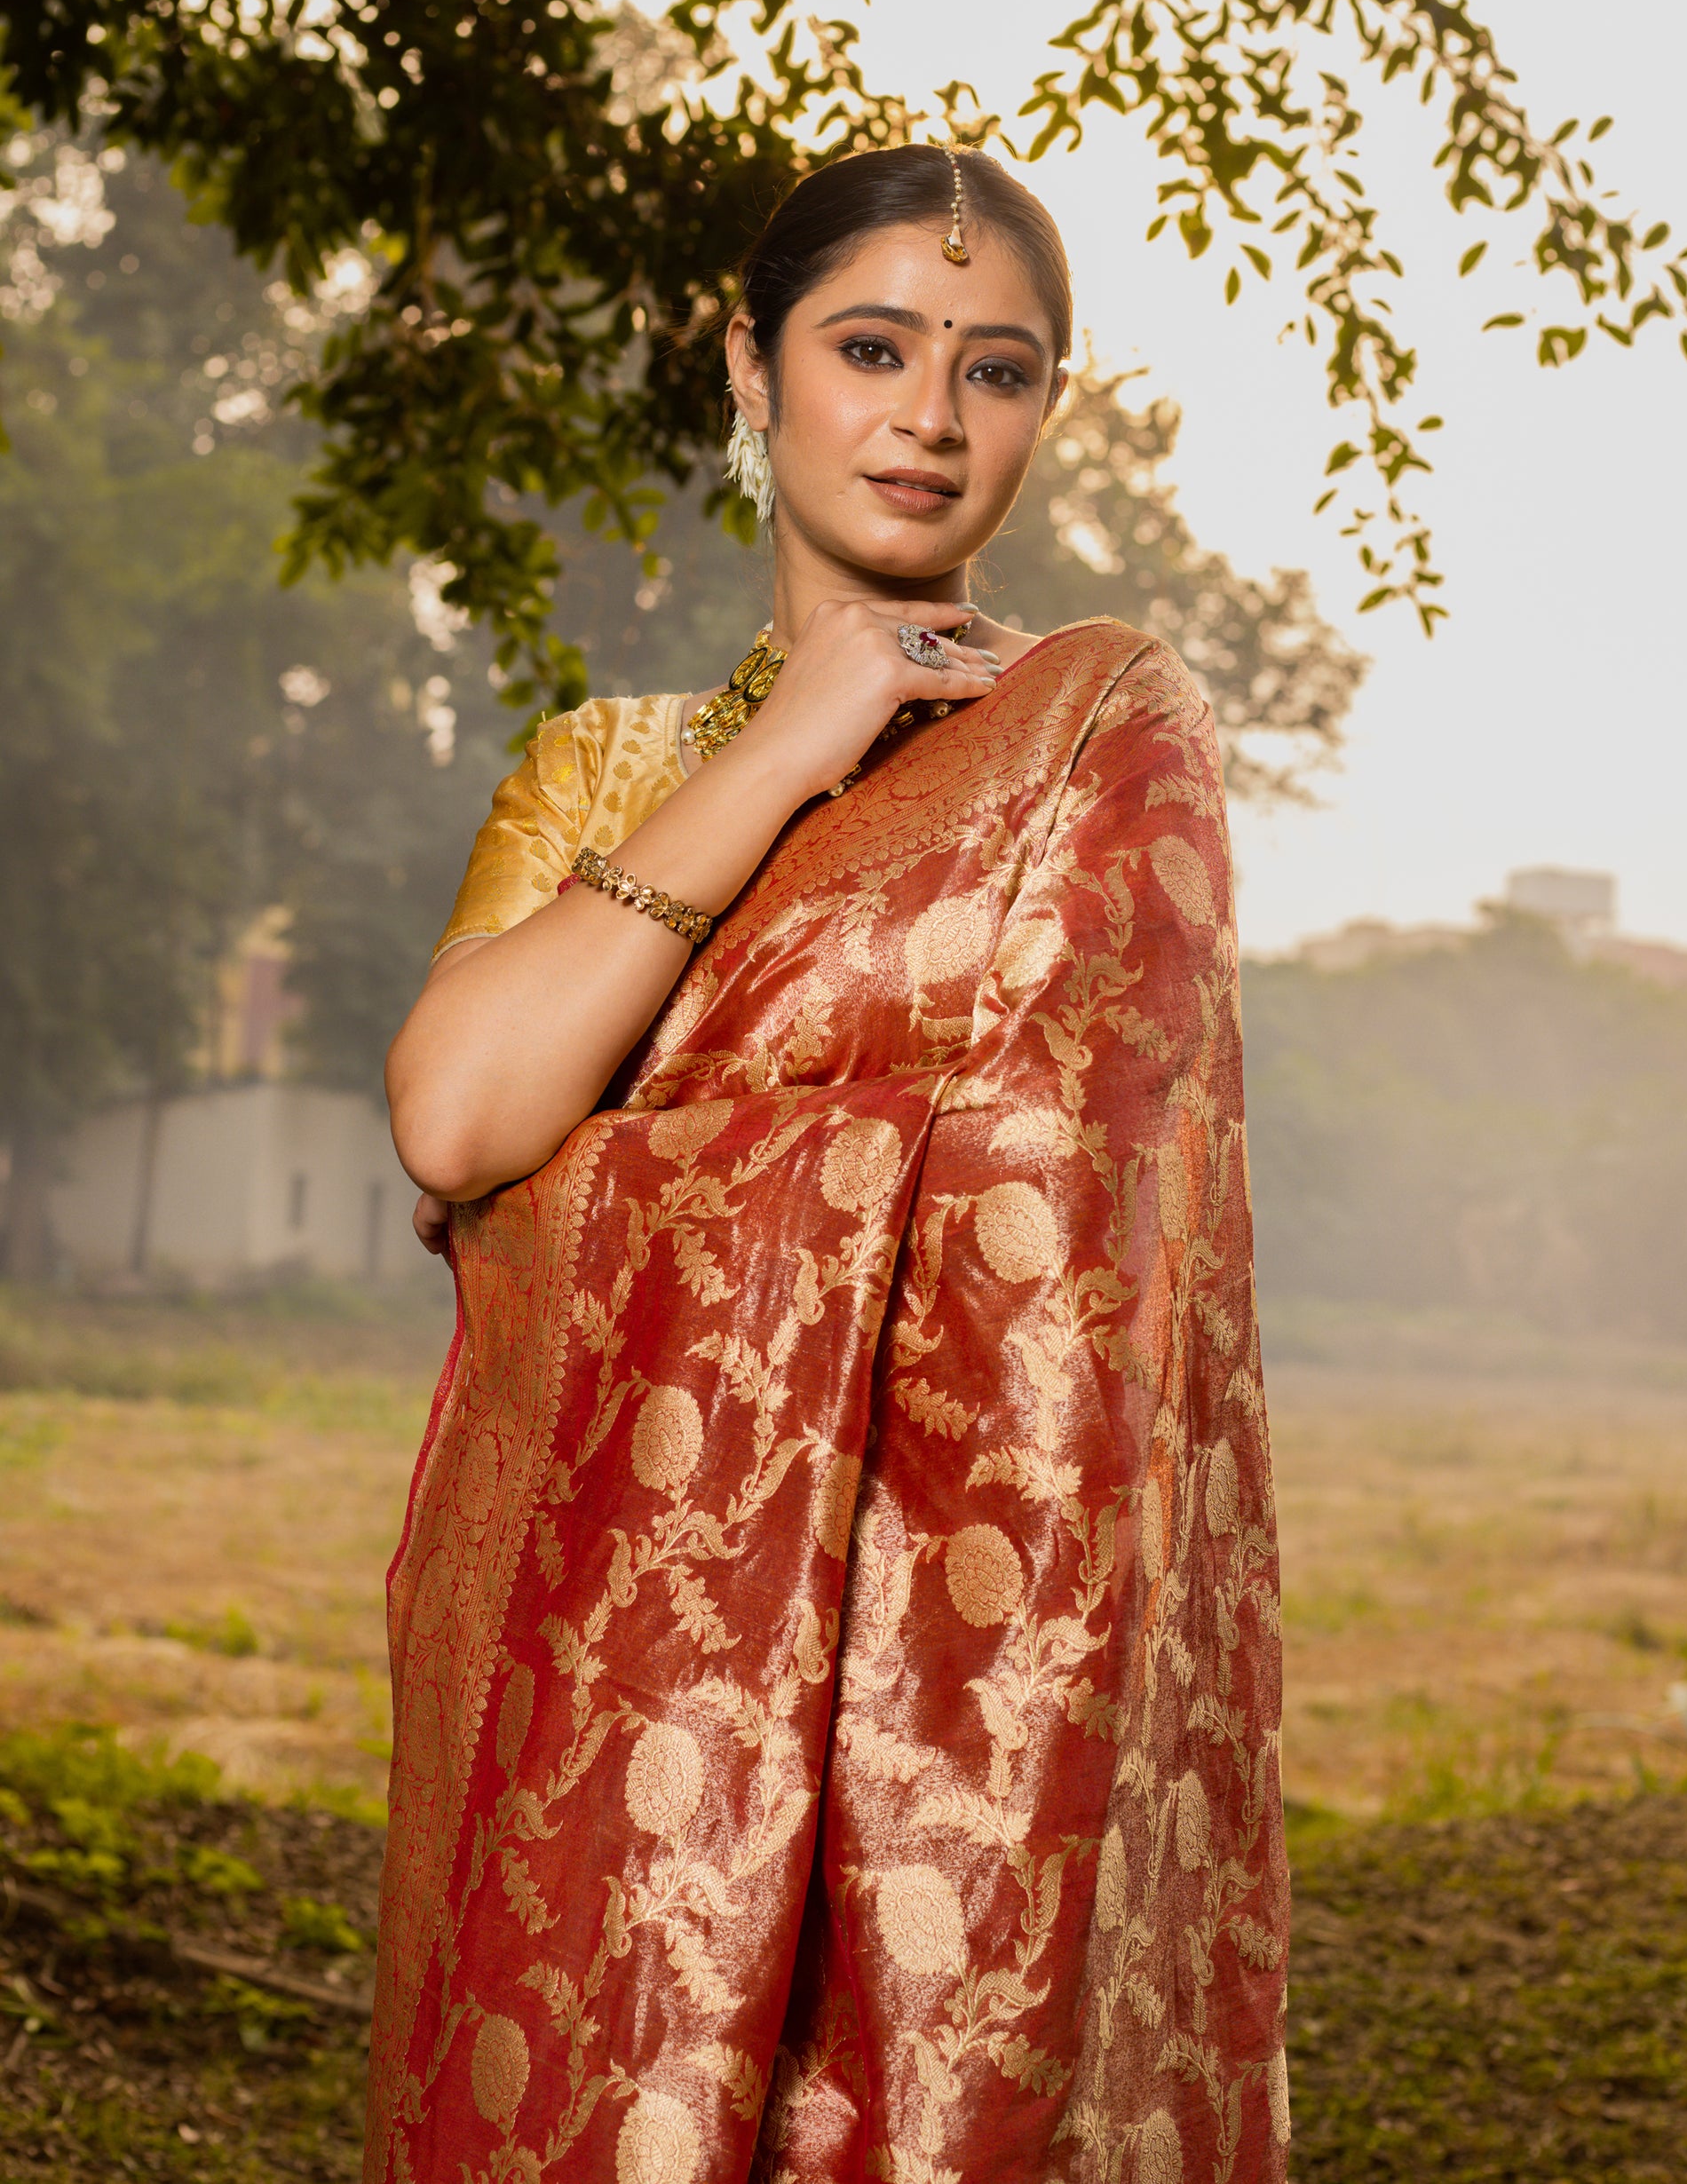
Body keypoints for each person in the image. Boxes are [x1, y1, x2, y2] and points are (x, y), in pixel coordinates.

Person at [368, 145, 1288, 2184]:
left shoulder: (1096, 745)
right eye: (870, 347)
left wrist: (614, 1147)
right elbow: (454, 1117)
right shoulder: (607, 764)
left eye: (1000, 370)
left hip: (957, 1700)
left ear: (1048, 410)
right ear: (749, 365)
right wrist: (793, 740)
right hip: (622, 1665)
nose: (931, 417)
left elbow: (1073, 1260)